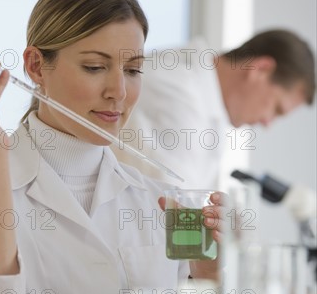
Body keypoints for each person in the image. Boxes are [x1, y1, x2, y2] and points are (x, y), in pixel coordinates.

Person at [0, 0, 228, 294]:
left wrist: (206, 279)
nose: (119, 92)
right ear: (37, 66)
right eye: (95, 67)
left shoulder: (165, 203)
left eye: (134, 69)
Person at [112, 31, 315, 189]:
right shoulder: (179, 93)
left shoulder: (207, 103)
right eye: (276, 109)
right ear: (261, 70)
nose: (268, 123)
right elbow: (181, 218)